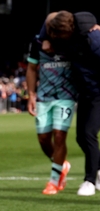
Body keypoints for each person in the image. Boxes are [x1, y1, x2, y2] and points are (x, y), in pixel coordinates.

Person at [31, 11, 100, 196]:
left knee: (88, 134)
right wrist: (43, 38)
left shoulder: (95, 38)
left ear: (67, 31)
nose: (54, 38)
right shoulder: (66, 32)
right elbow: (51, 18)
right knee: (81, 137)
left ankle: (89, 180)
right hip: (85, 91)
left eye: (56, 35)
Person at [26, 36, 78, 195]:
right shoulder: (37, 42)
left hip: (66, 96)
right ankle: (62, 165)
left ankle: (54, 181)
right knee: (43, 138)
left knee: (60, 135)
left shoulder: (71, 41)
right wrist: (31, 94)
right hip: (44, 97)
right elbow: (31, 68)